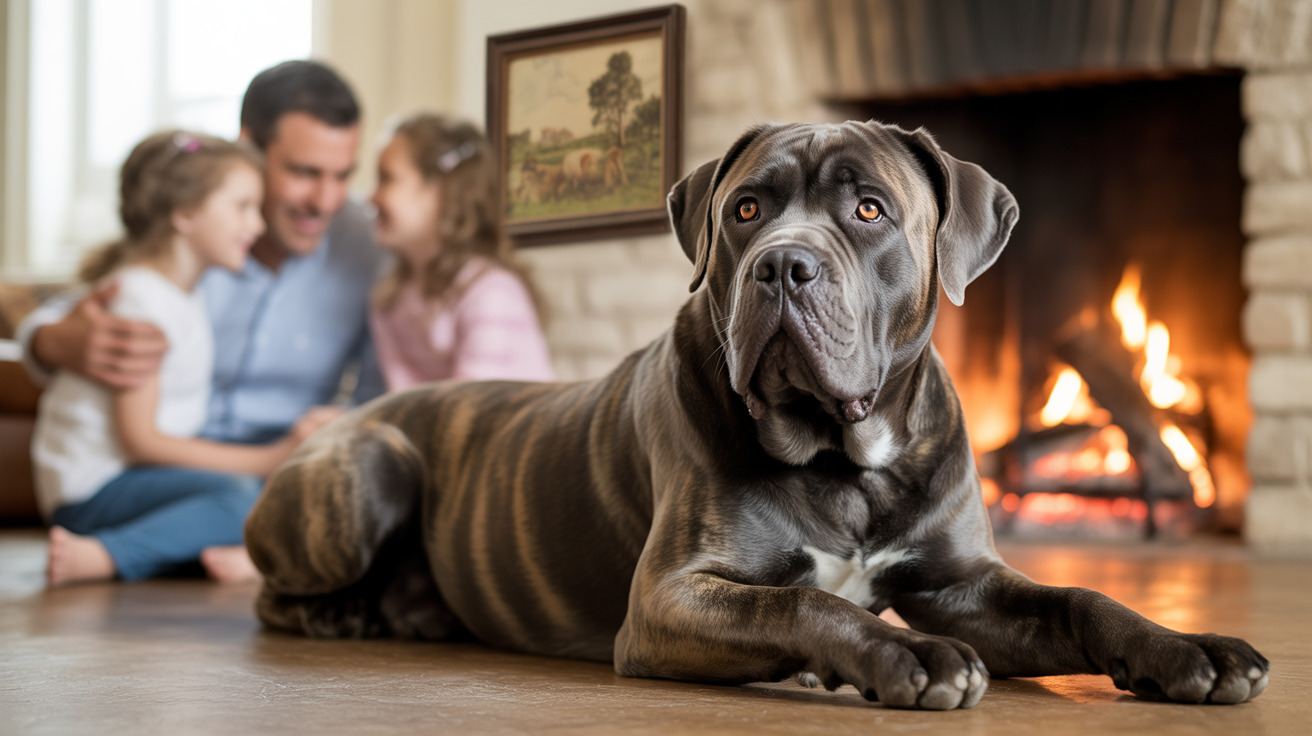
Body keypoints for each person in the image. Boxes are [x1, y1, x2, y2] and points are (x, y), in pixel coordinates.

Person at [16, 61, 385, 577]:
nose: (324, 201)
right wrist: (52, 340)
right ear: (249, 148)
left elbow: (379, 388)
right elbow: (79, 312)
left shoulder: (368, 244)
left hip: (279, 463)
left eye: (342, 176)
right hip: (170, 471)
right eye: (304, 172)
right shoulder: (188, 241)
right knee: (244, 501)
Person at [35, 131, 331, 586]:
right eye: (242, 207)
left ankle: (202, 548)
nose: (256, 225)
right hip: (93, 494)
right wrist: (270, 457)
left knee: (264, 496)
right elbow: (141, 442)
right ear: (186, 214)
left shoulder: (179, 296)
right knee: (241, 497)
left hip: (136, 483)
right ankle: (106, 554)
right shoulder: (141, 301)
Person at [369, 114, 553, 389]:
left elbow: (475, 409)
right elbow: (396, 399)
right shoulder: (391, 297)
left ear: (439, 190)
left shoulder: (491, 293)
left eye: (387, 179)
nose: (371, 196)